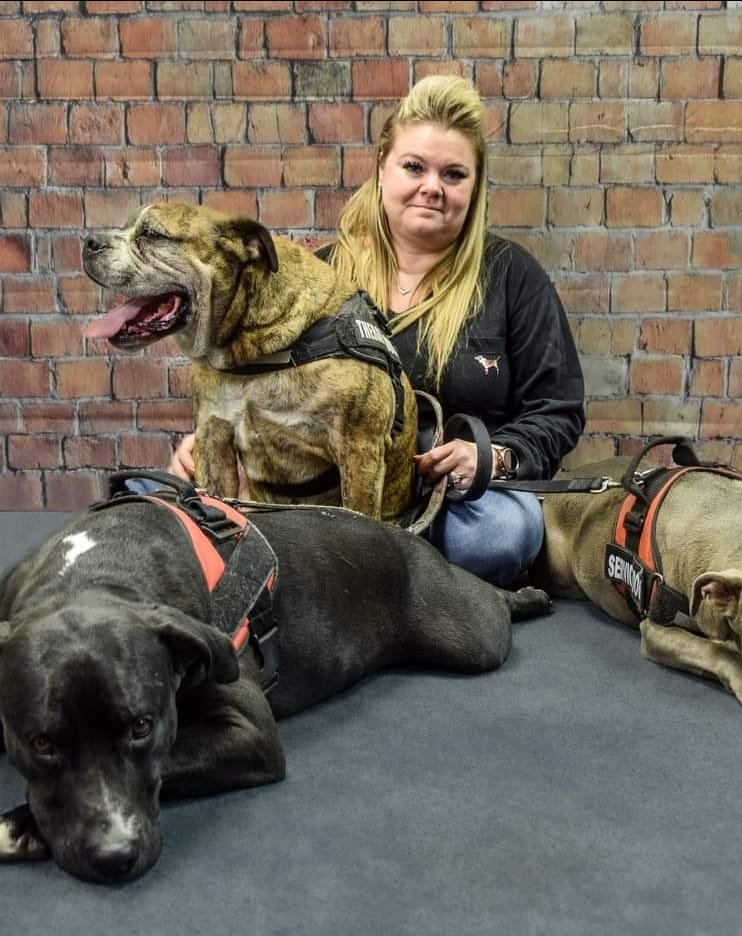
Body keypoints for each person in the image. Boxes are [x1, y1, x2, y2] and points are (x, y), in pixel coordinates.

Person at [170, 75, 585, 587]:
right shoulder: (318, 280)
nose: (432, 187)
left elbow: (557, 409)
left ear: (475, 187)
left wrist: (491, 456)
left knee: (500, 535)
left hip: (459, 501)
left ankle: (377, 575)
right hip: (333, 496)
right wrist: (212, 438)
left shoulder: (513, 277)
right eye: (414, 167)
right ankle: (369, 567)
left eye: (454, 174)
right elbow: (252, 380)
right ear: (382, 168)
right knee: (187, 509)